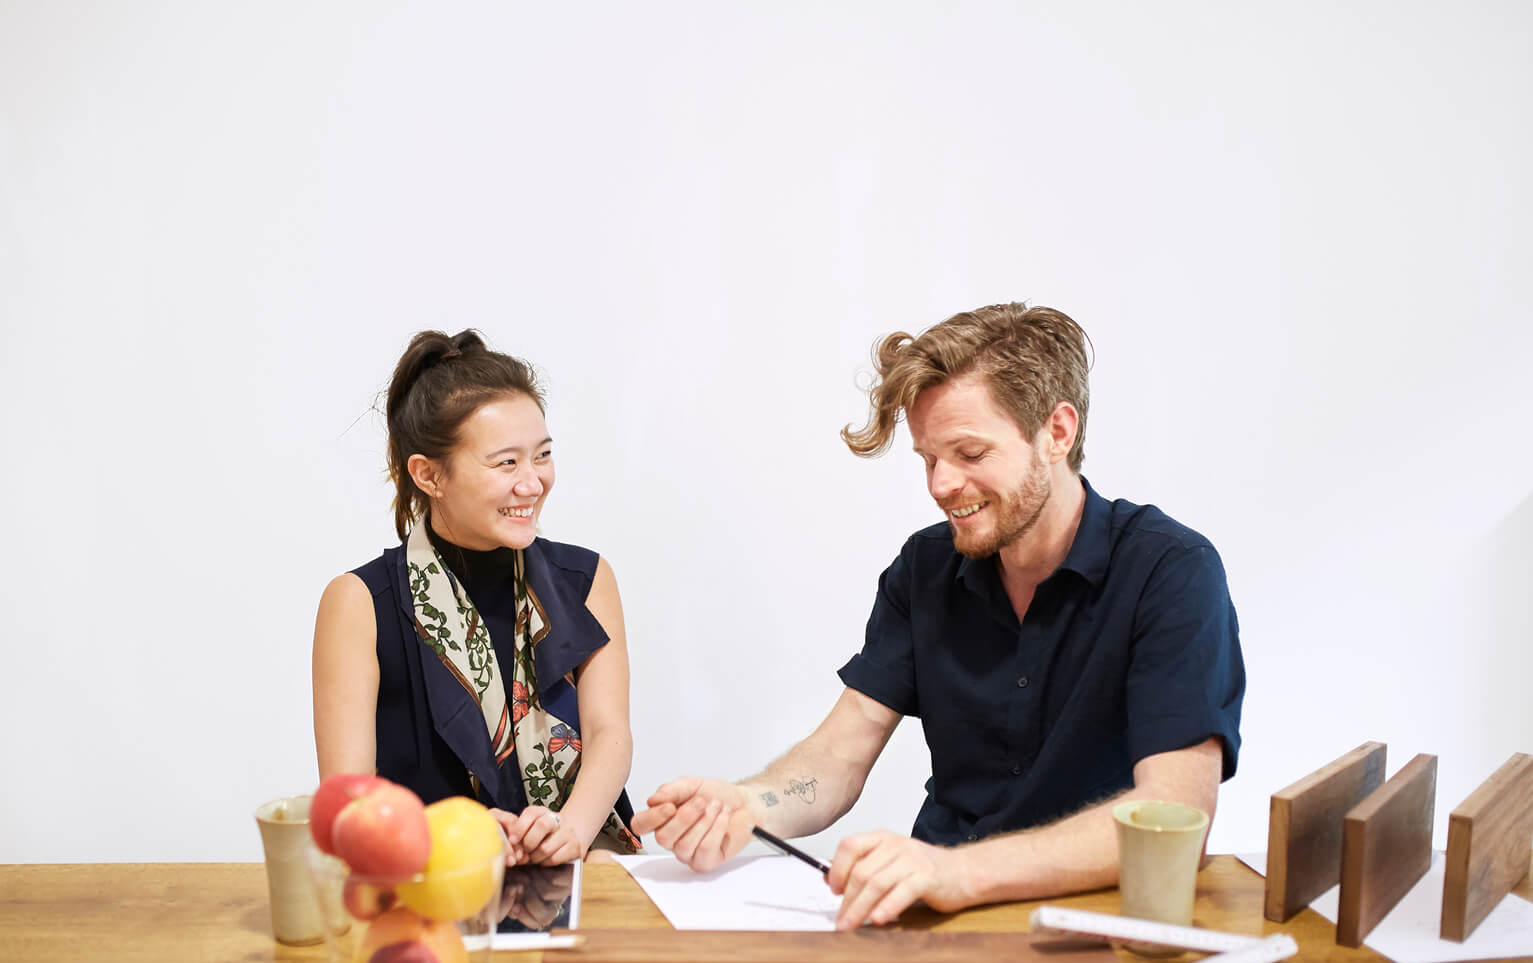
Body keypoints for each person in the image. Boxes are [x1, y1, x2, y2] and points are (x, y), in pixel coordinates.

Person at [634, 303, 1244, 929]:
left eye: (970, 452)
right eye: (928, 458)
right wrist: (749, 805)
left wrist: (959, 871)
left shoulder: (1170, 571)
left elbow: (1177, 815)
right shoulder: (924, 568)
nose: (941, 484)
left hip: (1093, 923)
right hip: (938, 921)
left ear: (1057, 433)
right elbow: (839, 755)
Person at [313, 329, 640, 867]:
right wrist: (458, 836)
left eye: (542, 456)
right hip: (428, 882)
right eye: (506, 463)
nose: (532, 483)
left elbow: (611, 733)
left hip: (574, 865)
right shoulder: (359, 603)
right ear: (428, 475)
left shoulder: (586, 579)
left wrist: (571, 830)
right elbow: (349, 803)